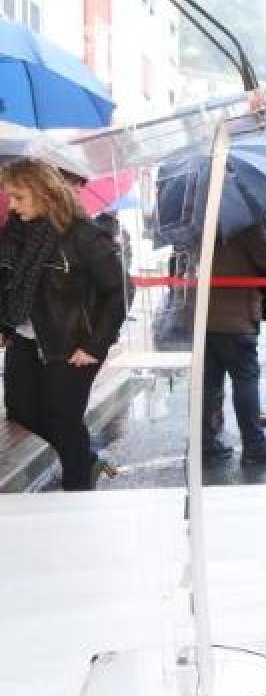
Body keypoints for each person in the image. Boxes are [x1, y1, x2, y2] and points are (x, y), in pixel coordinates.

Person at [0, 159, 126, 490]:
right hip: (27, 337)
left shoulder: (83, 236)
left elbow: (121, 291)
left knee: (62, 417)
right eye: (9, 197)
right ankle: (85, 459)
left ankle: (78, 490)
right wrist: (6, 324)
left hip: (75, 342)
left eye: (18, 198)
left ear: (44, 193)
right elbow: (10, 284)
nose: (11, 205)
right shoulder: (15, 235)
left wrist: (96, 345)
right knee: (21, 410)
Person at [202, 222, 266, 464]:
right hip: (236, 317)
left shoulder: (198, 220)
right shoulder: (244, 223)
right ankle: (254, 444)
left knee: (209, 383)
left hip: (203, 317)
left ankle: (205, 442)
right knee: (245, 379)